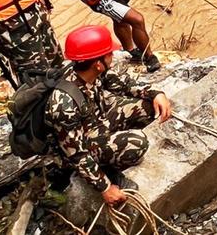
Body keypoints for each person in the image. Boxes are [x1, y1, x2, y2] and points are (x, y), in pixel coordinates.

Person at [46, 25, 173, 207]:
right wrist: (104, 187)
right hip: (77, 144)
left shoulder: (91, 68)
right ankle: (108, 169)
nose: (112, 56)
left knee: (149, 108)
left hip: (96, 120)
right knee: (137, 143)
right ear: (98, 63)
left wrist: (155, 93)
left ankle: (109, 152)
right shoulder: (64, 105)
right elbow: (76, 154)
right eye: (109, 54)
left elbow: (124, 84)